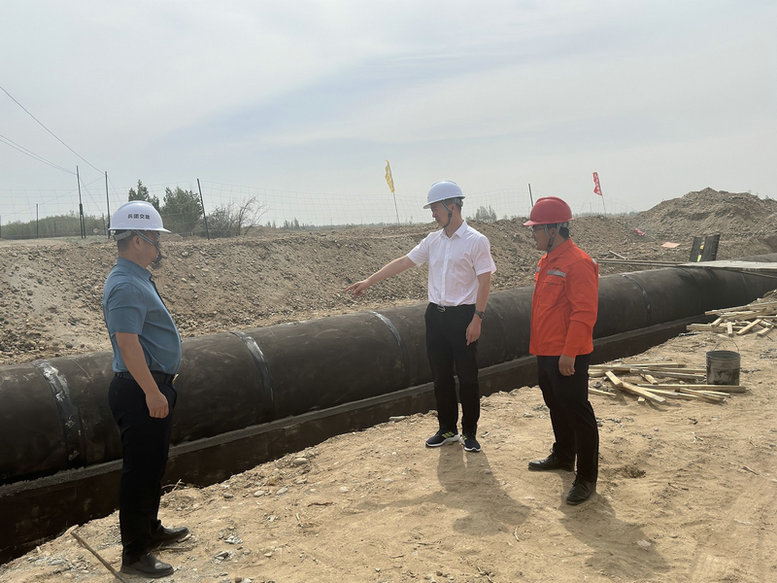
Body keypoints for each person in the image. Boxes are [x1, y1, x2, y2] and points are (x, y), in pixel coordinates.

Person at [346, 180, 496, 452]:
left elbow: (484, 280)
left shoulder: (476, 241)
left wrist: (477, 318)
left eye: (436, 208)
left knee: (467, 377)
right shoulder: (433, 240)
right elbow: (404, 261)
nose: (433, 214)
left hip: (463, 316)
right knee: (441, 376)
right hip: (435, 316)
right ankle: (447, 429)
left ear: (452, 207)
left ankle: (469, 432)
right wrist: (369, 281)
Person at [102, 200, 189, 578]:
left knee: (153, 465)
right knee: (139, 473)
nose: (159, 245)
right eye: (154, 237)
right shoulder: (125, 284)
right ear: (137, 239)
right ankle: (135, 556)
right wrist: (152, 392)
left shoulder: (135, 277)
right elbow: (128, 343)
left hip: (150, 386)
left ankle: (150, 530)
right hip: (140, 390)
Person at [524, 196, 600, 505]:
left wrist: (570, 352)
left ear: (554, 230)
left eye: (537, 229)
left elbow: (584, 313)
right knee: (555, 404)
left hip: (568, 354)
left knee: (577, 410)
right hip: (545, 350)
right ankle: (564, 455)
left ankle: (586, 477)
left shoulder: (578, 263)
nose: (533, 234)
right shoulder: (548, 261)